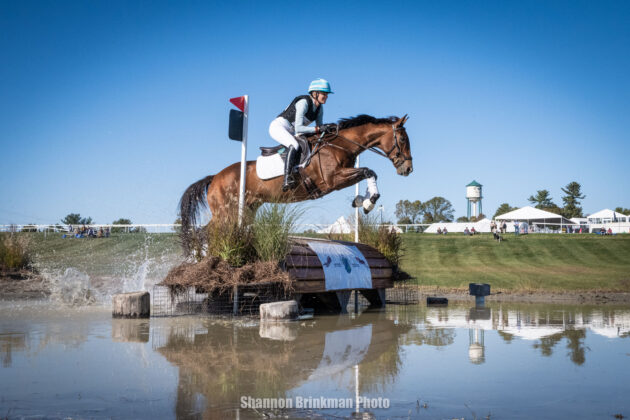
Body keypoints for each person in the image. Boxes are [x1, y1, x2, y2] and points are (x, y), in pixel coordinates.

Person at [269, 78, 337, 191]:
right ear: (315, 93)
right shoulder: (304, 102)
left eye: (327, 94)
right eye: (324, 94)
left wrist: (328, 129)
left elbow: (319, 129)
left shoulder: (320, 109)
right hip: (278, 127)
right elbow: (299, 128)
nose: (326, 96)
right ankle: (287, 178)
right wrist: (318, 128)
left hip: (290, 131)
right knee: (294, 145)